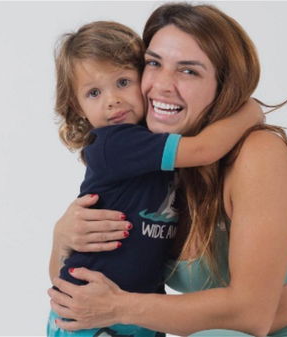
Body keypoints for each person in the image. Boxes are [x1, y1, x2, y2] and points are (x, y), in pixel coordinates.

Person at [48, 4, 287, 336]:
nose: (162, 85)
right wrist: (61, 239)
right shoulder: (156, 166)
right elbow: (71, 294)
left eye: (188, 71)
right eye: (153, 64)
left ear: (223, 84)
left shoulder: (259, 155)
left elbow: (251, 317)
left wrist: (120, 307)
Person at [48, 20, 264, 337]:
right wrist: (251, 111)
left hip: (135, 312)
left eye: (123, 82)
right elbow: (204, 149)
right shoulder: (116, 143)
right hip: (91, 313)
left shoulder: (151, 141)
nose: (112, 100)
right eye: (94, 92)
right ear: (76, 107)